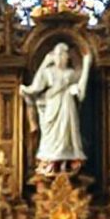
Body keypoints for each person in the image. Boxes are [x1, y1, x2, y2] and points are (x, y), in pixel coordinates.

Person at [20, 43, 93, 173]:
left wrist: (86, 65)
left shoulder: (71, 74)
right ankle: (49, 162)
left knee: (68, 133)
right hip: (51, 106)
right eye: (57, 54)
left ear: (67, 57)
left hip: (67, 107)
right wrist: (44, 63)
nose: (59, 57)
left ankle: (67, 161)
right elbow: (36, 87)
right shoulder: (48, 72)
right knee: (50, 135)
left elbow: (81, 90)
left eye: (62, 54)